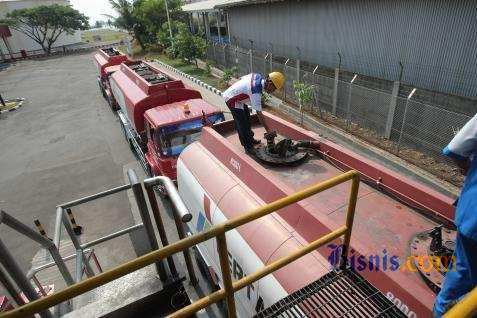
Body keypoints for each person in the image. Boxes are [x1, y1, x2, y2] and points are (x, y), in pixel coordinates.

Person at [434, 114, 477, 317]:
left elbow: (455, 148)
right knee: (463, 276)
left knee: (463, 274)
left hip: (473, 216)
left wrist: (469, 170)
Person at [222, 72, 285, 154]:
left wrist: (241, 90)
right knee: (242, 123)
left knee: (247, 118)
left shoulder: (257, 75)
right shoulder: (255, 92)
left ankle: (250, 139)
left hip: (238, 98)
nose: (273, 91)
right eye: (274, 88)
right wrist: (268, 130)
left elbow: (242, 78)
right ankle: (248, 147)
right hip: (231, 98)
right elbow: (259, 114)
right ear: (269, 82)